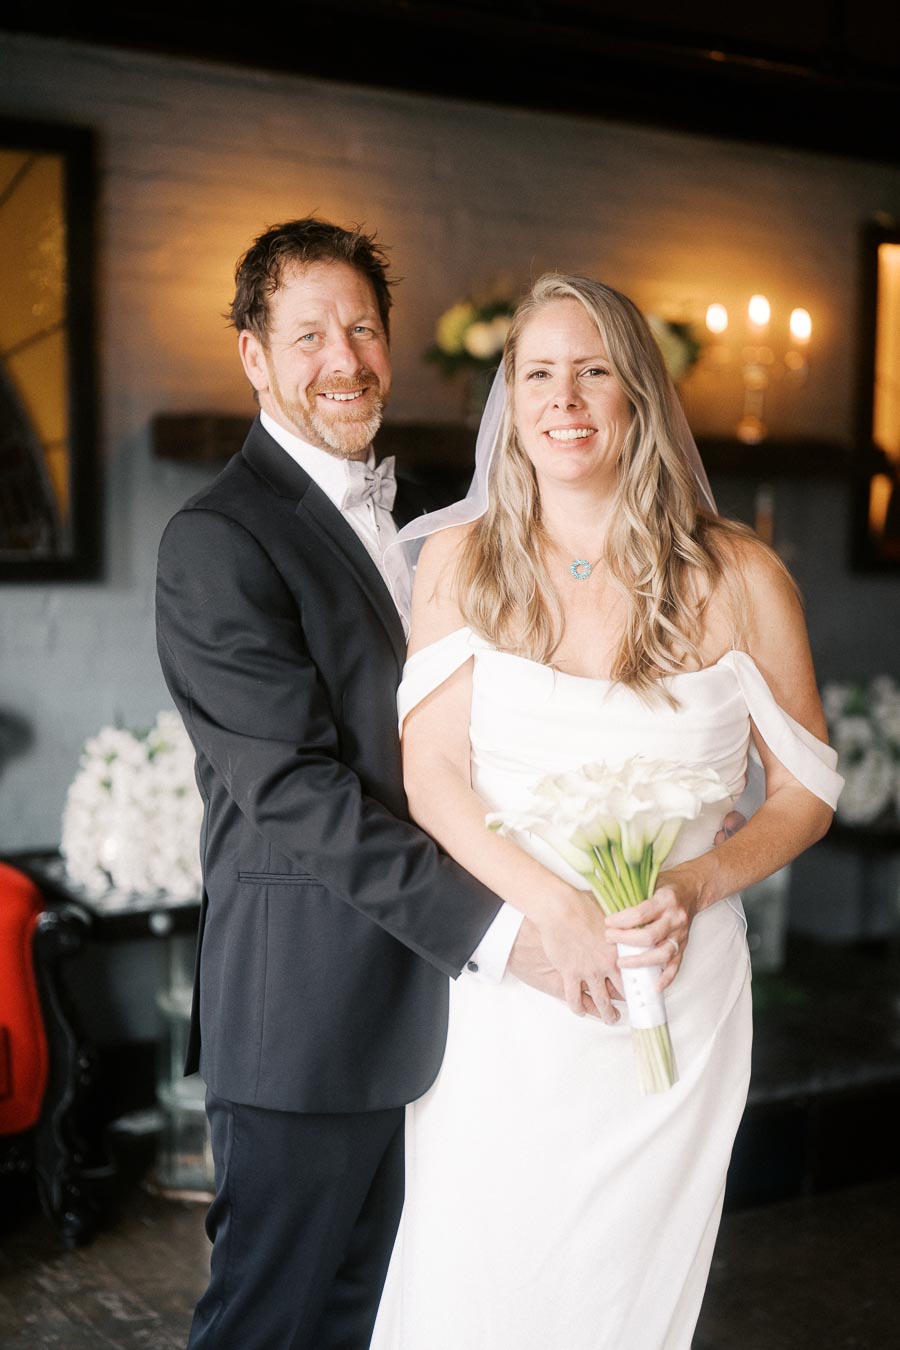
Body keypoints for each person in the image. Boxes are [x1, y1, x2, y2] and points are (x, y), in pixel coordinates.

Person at [155, 223, 623, 1349]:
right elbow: (302, 793)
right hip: (305, 1017)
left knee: (374, 1319)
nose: (345, 358)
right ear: (255, 357)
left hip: (427, 1015)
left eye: (362, 327)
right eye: (308, 333)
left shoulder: (426, 534)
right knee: (270, 1321)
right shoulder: (219, 539)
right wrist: (511, 931)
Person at [371, 273, 844, 1350]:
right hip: (514, 990)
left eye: (593, 371)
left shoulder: (741, 577)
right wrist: (553, 912)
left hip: (673, 990)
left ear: (637, 395)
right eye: (538, 373)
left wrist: (692, 882)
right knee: (477, 1268)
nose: (564, 398)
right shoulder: (461, 562)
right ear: (513, 399)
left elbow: (808, 786)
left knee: (623, 1293)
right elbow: (432, 771)